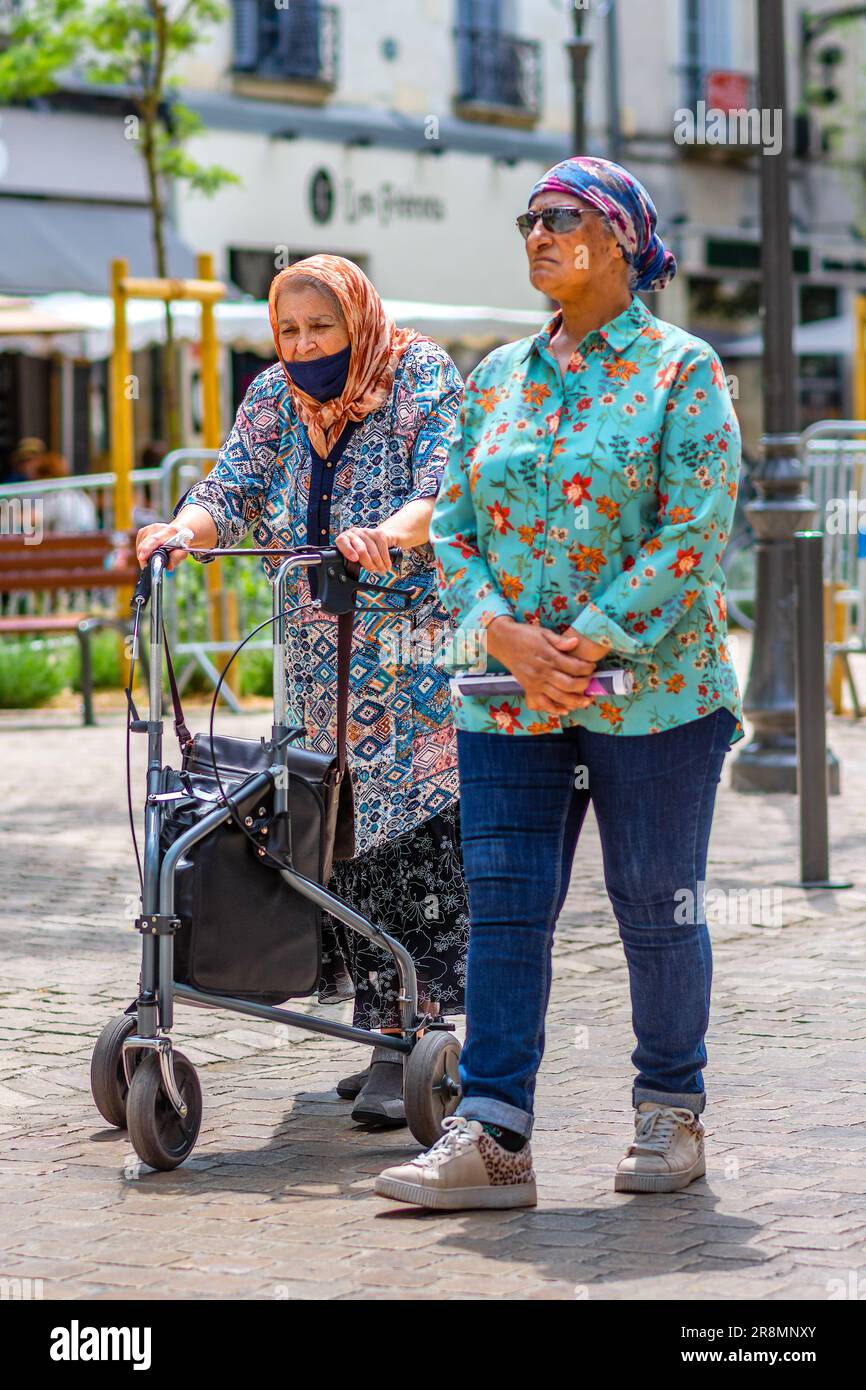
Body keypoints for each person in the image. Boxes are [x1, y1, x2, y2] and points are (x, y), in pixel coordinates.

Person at [376, 156, 742, 1209]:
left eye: (561, 217)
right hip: (503, 695)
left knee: (652, 902)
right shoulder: (496, 377)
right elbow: (449, 523)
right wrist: (500, 631)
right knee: (503, 906)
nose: (536, 234)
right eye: (528, 218)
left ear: (620, 238)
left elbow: (690, 532)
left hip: (654, 694)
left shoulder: (682, 371)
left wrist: (573, 642)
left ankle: (669, 1111)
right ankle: (493, 1138)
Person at [136, 255, 470, 1128]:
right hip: (316, 655)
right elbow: (234, 485)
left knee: (407, 833)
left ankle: (420, 1025)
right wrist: (185, 528)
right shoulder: (274, 397)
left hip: (408, 653)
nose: (304, 344)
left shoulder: (419, 376)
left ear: (356, 321)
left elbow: (446, 490)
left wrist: (389, 534)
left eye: (320, 327)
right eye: (289, 329)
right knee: (329, 828)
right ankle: (378, 1023)